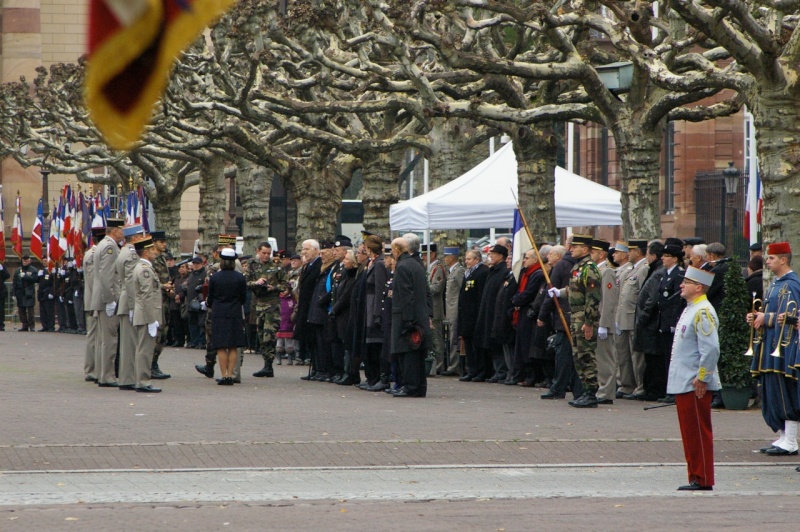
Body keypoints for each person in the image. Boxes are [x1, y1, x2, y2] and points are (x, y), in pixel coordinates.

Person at [668, 266, 720, 491]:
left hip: (694, 382)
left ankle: (703, 477)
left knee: (698, 432)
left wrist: (702, 378)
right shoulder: (692, 308)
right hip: (685, 381)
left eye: (686, 282)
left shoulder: (703, 310)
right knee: (690, 433)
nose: (681, 285)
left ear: (698, 287)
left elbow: (710, 350)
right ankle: (695, 475)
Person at [749, 242, 800, 456]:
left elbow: (792, 316)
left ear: (783, 259)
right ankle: (782, 437)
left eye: (771, 258)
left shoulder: (792, 284)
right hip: (770, 345)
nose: (767, 261)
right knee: (772, 392)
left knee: (784, 392)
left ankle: (791, 440)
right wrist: (756, 317)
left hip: (783, 347)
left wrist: (766, 318)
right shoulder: (776, 284)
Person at [551, 234, 601, 408]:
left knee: (586, 355)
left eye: (576, 247)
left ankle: (590, 392)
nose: (571, 249)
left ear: (585, 249)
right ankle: (584, 391)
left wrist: (589, 322)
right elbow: (575, 288)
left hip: (584, 317)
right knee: (578, 355)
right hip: (575, 315)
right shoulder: (579, 267)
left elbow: (593, 298)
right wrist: (560, 292)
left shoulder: (590, 268)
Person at [390, 236, 430, 397]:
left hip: (407, 316)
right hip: (419, 314)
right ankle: (419, 386)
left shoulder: (403, 266)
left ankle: (410, 386)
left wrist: (407, 320)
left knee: (407, 353)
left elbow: (406, 295)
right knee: (417, 354)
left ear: (397, 250)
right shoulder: (416, 264)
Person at [91, 218, 125, 387]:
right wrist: (110, 300)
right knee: (110, 340)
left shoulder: (103, 244)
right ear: (114, 231)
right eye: (121, 230)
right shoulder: (110, 247)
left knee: (103, 340)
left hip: (101, 298)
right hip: (107, 299)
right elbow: (107, 276)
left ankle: (101, 373)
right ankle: (107, 376)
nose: (123, 233)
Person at [246, 241, 288, 377]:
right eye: (263, 253)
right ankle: (266, 364)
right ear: (258, 251)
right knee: (260, 334)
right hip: (258, 304)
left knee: (269, 336)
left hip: (272, 304)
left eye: (268, 254)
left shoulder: (276, 266)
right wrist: (256, 283)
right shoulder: (252, 265)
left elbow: (286, 285)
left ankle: (269, 365)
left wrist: (274, 288)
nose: (266, 256)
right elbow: (245, 282)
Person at [207, 248, 248, 385]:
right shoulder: (240, 277)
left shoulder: (215, 277)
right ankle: (231, 375)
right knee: (233, 346)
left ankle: (223, 375)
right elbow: (243, 298)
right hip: (235, 313)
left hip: (219, 313)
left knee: (221, 346)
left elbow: (210, 298)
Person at [616, 239, 649, 400]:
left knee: (637, 356)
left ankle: (640, 386)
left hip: (633, 317)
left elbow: (642, 296)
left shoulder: (643, 269)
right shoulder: (631, 269)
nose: (628, 253)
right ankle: (627, 385)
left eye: (631, 250)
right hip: (623, 317)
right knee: (624, 354)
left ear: (638, 251)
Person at [131, 235, 164, 393]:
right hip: (146, 316)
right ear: (145, 252)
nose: (154, 252)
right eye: (151, 250)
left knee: (142, 349)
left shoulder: (144, 267)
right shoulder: (145, 270)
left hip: (144, 314)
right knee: (145, 350)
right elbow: (146, 296)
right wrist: (151, 320)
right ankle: (143, 381)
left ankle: (141, 379)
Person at [116, 224, 146, 391]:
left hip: (125, 301)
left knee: (128, 343)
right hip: (130, 302)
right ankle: (128, 378)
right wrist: (135, 306)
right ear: (134, 238)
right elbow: (130, 281)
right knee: (130, 344)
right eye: (141, 235)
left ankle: (127, 377)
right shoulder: (132, 254)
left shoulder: (124, 252)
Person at [475, 244, 510, 382]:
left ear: (501, 256)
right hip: (488, 311)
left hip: (496, 312)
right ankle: (496, 370)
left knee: (496, 342)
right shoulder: (492, 271)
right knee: (490, 342)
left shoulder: (503, 272)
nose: (490, 257)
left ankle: (501, 370)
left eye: (493, 254)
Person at [362, 235, 389, 390]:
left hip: (374, 306)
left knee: (375, 345)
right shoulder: (372, 263)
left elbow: (380, 288)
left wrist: (378, 312)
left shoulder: (379, 264)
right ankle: (372, 377)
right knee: (370, 345)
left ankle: (377, 377)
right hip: (369, 305)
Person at [458, 250, 489, 382]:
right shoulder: (468, 273)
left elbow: (481, 295)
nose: (466, 261)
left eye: (469, 259)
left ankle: (480, 371)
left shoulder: (482, 272)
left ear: (477, 259)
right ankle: (472, 370)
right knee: (469, 344)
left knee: (477, 345)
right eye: (466, 259)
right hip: (466, 314)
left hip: (475, 314)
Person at [595, 239, 619, 404]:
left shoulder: (607, 272)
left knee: (606, 358)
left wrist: (604, 323)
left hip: (604, 321)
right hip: (595, 320)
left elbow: (608, 300)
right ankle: (600, 388)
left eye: (593, 251)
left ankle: (607, 392)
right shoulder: (596, 270)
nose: (590, 254)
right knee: (598, 358)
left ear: (602, 254)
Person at [82, 227, 105, 382]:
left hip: (95, 301)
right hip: (94, 303)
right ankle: (92, 370)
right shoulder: (92, 255)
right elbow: (92, 280)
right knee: (94, 337)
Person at [297, 239, 322, 380]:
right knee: (310, 340)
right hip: (305, 307)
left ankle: (318, 368)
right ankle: (314, 368)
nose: (303, 252)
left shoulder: (319, 265)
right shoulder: (307, 266)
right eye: (303, 249)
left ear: (315, 250)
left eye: (306, 249)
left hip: (313, 307)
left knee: (315, 340)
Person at [150, 231, 172, 379]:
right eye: (161, 241)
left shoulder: (162, 258)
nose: (164, 244)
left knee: (163, 334)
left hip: (164, 299)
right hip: (156, 299)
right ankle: (151, 364)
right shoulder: (151, 259)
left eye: (164, 241)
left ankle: (154, 362)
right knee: (157, 333)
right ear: (154, 242)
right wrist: (163, 286)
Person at [424, 244, 447, 375]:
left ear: (432, 254)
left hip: (436, 306)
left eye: (425, 254)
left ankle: (439, 364)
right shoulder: (429, 267)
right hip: (429, 305)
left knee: (437, 337)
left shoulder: (437, 268)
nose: (423, 257)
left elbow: (437, 287)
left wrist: (424, 289)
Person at [442, 247, 465, 376]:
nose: (445, 259)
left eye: (446, 256)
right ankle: (452, 364)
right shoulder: (452, 271)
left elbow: (462, 290)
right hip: (450, 309)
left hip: (455, 308)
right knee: (451, 337)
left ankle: (454, 366)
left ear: (452, 257)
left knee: (454, 337)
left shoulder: (459, 271)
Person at [11, 255, 37, 332]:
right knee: (21, 310)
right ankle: (24, 325)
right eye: (23, 261)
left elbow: (35, 279)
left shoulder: (33, 270)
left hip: (29, 292)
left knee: (30, 310)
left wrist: (25, 276)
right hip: (20, 293)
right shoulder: (18, 270)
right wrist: (14, 293)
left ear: (29, 261)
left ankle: (32, 326)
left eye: (26, 261)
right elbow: (15, 282)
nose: (25, 262)